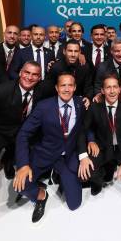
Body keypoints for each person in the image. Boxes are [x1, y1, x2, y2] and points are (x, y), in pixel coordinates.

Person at [0, 61, 43, 219]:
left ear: (40, 78)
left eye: (34, 75)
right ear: (20, 73)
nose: (29, 77)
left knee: (25, 162)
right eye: (26, 72)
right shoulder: (1, 90)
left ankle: (10, 163)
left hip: (22, 134)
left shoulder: (42, 90)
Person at [13, 73, 87, 222]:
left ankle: (58, 175)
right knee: (20, 186)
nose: (66, 89)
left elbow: (85, 128)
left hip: (67, 156)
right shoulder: (43, 106)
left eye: (70, 85)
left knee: (74, 204)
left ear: (75, 87)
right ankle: (41, 195)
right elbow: (23, 134)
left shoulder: (80, 104)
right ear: (56, 88)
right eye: (63, 85)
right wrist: (23, 165)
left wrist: (85, 151)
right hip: (45, 153)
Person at [79, 74, 121, 223]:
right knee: (89, 167)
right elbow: (83, 130)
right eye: (108, 87)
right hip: (103, 148)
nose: (111, 91)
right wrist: (85, 153)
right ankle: (100, 179)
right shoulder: (95, 107)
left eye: (115, 87)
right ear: (102, 90)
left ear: (120, 89)